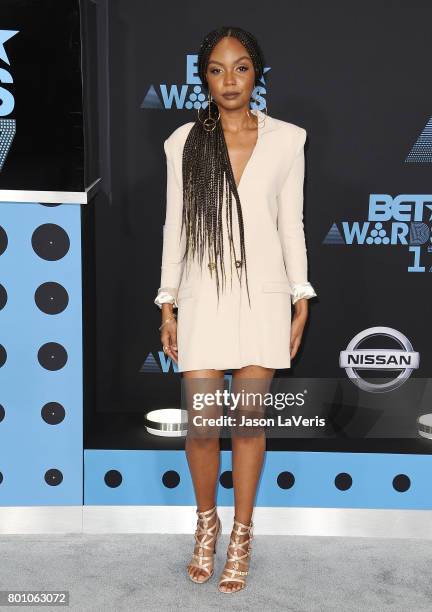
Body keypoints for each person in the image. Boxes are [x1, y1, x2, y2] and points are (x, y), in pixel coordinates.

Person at [154, 26, 317, 594]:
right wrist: (167, 302)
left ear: (257, 74)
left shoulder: (288, 140)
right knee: (202, 426)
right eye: (218, 69)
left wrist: (301, 295)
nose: (229, 80)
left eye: (241, 67)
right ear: (204, 76)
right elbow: (176, 226)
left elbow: (289, 223)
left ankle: (242, 534)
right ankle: (206, 524)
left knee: (248, 424)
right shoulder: (183, 143)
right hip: (203, 296)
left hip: (266, 296)